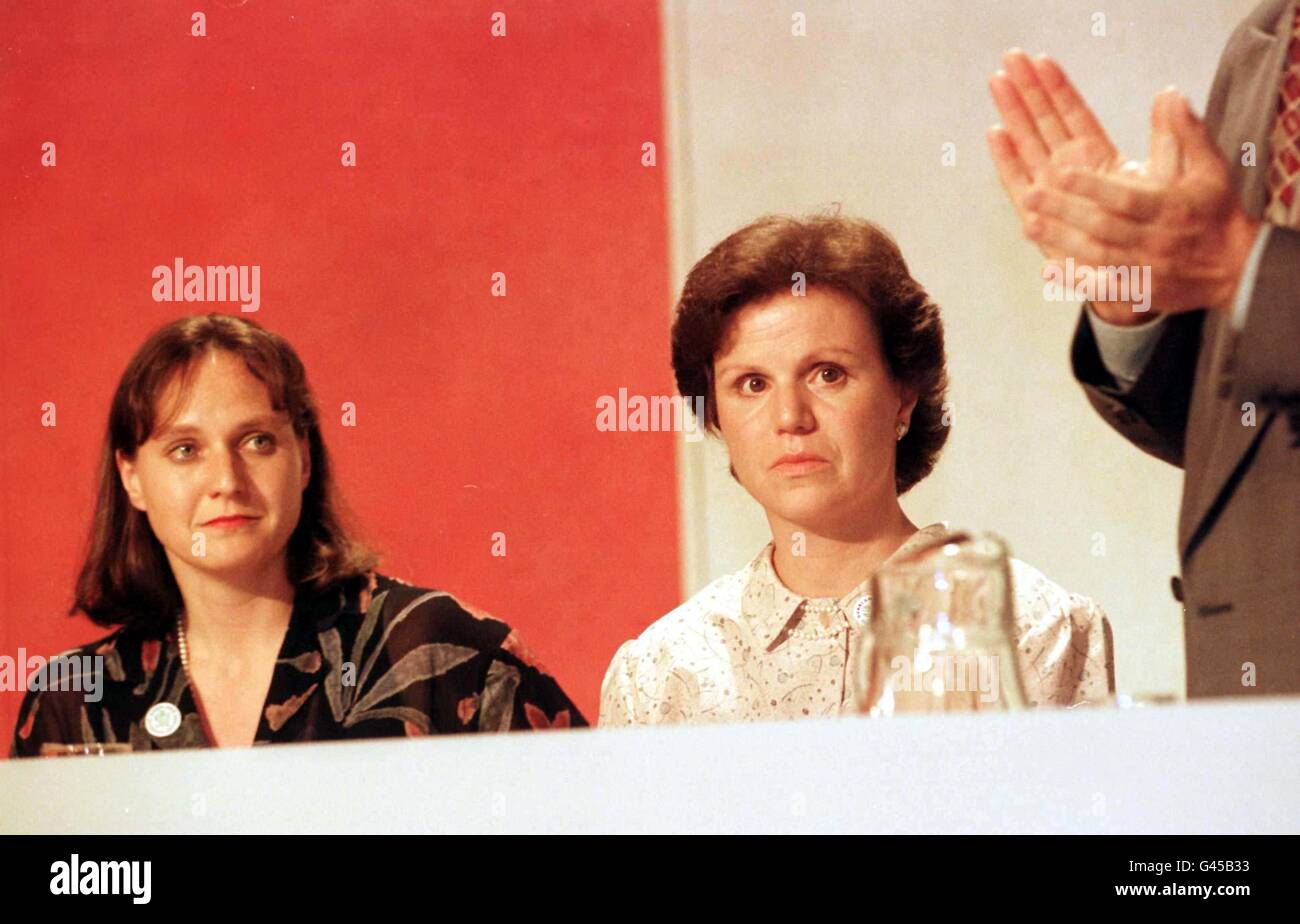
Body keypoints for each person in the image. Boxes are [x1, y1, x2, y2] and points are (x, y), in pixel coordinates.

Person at [598, 213, 1114, 726]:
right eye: (752, 384)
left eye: (828, 374)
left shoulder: (1034, 630)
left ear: (903, 397)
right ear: (714, 415)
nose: (790, 418)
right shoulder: (659, 676)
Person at [11, 314, 583, 756]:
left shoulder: (444, 653)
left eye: (257, 440)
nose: (226, 481)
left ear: (303, 459)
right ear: (132, 477)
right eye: (185, 451)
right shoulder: (76, 697)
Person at [987, 4, 1300, 697]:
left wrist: (1243, 268)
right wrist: (1136, 292)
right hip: (1255, 689)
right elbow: (1243, 431)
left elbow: (1247, 270)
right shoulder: (1263, 46)